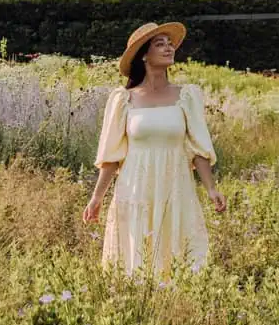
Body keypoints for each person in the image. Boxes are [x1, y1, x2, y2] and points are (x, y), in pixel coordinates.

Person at [82, 21, 226, 276]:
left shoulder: (187, 96)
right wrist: (96, 198)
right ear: (144, 56)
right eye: (160, 44)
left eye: (170, 43)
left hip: (175, 186)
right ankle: (138, 305)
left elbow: (198, 148)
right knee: (137, 254)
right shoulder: (123, 99)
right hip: (135, 186)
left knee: (178, 250)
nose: (169, 48)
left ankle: (176, 306)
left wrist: (211, 188)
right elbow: (111, 156)